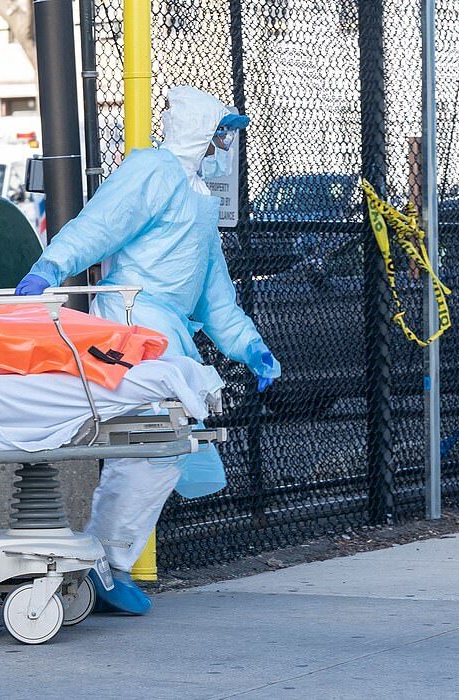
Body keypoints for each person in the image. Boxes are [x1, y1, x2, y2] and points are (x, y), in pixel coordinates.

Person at [15, 85, 281, 614]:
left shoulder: (199, 201)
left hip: (161, 332)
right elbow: (101, 225)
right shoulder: (153, 172)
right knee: (148, 443)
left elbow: (214, 292)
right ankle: (104, 563)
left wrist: (250, 345)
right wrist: (50, 268)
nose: (224, 147)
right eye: (219, 136)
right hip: (131, 326)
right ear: (199, 133)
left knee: (161, 446)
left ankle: (107, 563)